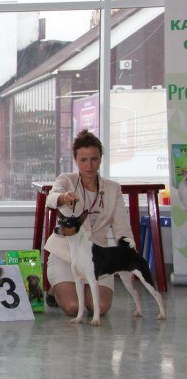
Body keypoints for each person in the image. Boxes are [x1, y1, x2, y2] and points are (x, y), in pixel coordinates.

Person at [44, 129, 134, 317]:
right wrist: (63, 197)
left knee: (99, 307)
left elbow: (121, 228)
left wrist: (130, 256)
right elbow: (51, 198)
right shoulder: (66, 180)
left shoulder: (113, 189)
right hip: (65, 256)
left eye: (94, 159)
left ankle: (83, 287)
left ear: (101, 158)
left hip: (98, 258)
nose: (89, 165)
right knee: (73, 307)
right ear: (75, 160)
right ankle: (56, 289)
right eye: (83, 160)